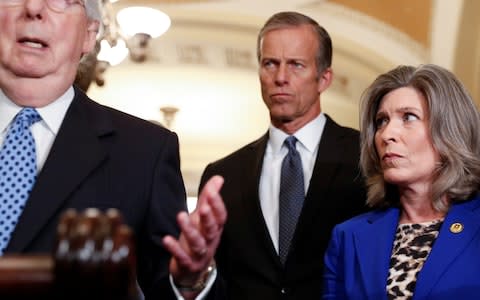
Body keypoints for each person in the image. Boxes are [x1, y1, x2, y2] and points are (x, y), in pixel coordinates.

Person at [0, 0, 226, 299]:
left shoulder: (146, 152)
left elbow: (164, 283)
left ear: (89, 35)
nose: (33, 7)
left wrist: (189, 280)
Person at [198, 11, 367, 299]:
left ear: (324, 78)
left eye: (296, 65)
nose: (280, 77)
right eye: (270, 64)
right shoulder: (222, 175)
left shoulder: (367, 157)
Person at [323, 64, 480, 299]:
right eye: (381, 121)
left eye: (409, 117)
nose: (387, 135)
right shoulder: (348, 237)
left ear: (450, 130)